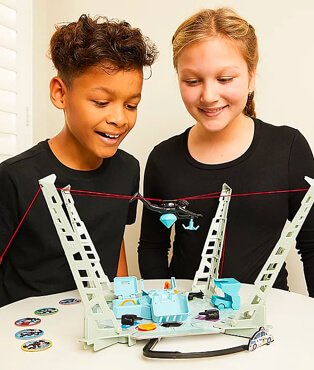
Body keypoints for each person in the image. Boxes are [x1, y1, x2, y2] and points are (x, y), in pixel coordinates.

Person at [138, 8, 314, 297]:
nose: (208, 95)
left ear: (251, 76)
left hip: (270, 317)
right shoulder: (162, 159)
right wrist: (165, 306)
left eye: (225, 78)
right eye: (192, 81)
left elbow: (311, 244)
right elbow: (153, 247)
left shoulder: (289, 148)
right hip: (188, 321)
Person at [0, 14, 158, 306]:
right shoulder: (13, 178)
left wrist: (127, 304)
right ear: (60, 93)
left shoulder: (128, 169)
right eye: (101, 102)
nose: (119, 119)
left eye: (131, 105)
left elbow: (115, 242)